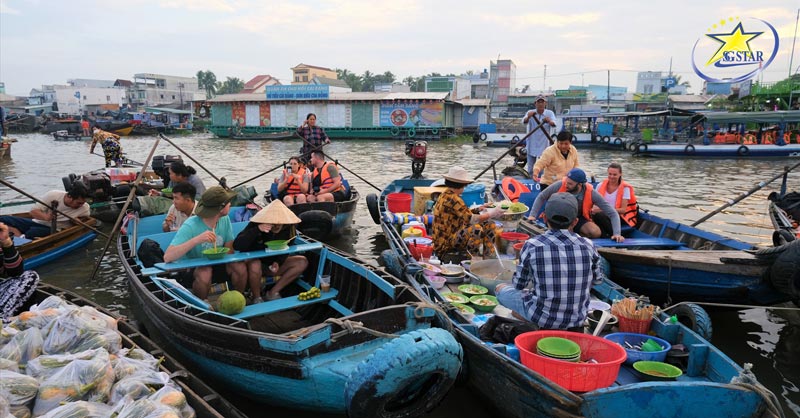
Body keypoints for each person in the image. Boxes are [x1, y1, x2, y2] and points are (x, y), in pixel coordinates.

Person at [495, 193, 599, 331]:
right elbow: (597, 280)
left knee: (500, 289)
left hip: (543, 319)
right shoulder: (589, 245)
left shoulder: (532, 245)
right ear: (574, 222)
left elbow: (519, 285)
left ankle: (527, 319)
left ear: (544, 217)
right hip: (576, 319)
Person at [163, 186, 248, 300]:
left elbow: (229, 250)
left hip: (218, 264)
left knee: (239, 267)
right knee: (205, 272)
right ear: (220, 208)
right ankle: (203, 304)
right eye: (228, 203)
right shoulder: (191, 225)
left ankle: (239, 298)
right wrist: (197, 240)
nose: (230, 205)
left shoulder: (224, 219)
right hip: (194, 268)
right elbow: (168, 256)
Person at [234, 200, 308, 302]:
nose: (276, 226)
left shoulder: (289, 228)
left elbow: (288, 247)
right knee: (255, 264)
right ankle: (256, 297)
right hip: (253, 266)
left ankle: (273, 292)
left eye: (280, 223)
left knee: (301, 261)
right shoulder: (256, 224)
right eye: (273, 223)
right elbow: (237, 245)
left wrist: (278, 262)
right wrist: (257, 229)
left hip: (273, 264)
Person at [529, 168, 624, 242]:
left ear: (579, 185)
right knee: (562, 232)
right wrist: (532, 215)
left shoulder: (590, 192)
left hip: (576, 218)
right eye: (566, 182)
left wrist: (617, 233)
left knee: (595, 232)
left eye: (570, 184)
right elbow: (541, 196)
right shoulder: (560, 184)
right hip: (556, 216)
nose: (566, 185)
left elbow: (612, 212)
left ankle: (577, 239)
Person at [431, 166, 505, 257]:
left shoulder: (447, 194)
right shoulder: (453, 199)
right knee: (476, 229)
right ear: (461, 185)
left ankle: (489, 255)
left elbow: (462, 213)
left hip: (454, 233)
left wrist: (479, 208)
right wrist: (492, 213)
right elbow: (471, 219)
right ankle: (474, 258)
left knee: (489, 224)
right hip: (445, 242)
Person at [0, 182, 90, 239]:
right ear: (70, 197)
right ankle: (20, 237)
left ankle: (20, 238)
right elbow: (33, 212)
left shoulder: (85, 208)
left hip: (56, 229)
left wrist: (76, 221)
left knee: (33, 232)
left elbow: (84, 221)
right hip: (37, 222)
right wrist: (46, 217)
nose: (81, 205)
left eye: (83, 203)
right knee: (3, 219)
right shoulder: (53, 195)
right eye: (78, 203)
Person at [593, 162, 639, 228]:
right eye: (610, 174)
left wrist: (603, 210)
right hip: (602, 214)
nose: (612, 177)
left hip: (618, 216)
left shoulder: (625, 188)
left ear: (620, 174)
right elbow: (594, 204)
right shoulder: (600, 186)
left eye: (615, 175)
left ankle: (610, 234)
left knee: (599, 215)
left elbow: (623, 210)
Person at [521, 95, 557, 177]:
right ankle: (531, 182)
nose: (540, 104)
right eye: (538, 102)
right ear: (535, 103)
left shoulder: (549, 113)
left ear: (545, 103)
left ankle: (542, 184)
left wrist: (549, 121)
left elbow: (554, 124)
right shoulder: (530, 112)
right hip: (531, 143)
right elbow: (524, 122)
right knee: (530, 168)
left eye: (542, 102)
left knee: (543, 168)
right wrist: (529, 116)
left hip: (544, 144)